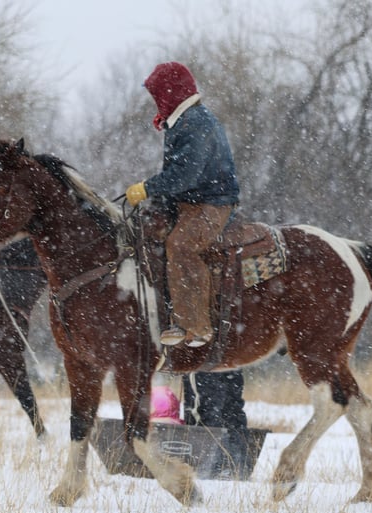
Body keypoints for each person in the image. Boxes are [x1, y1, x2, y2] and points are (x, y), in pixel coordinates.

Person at [125, 61, 240, 348]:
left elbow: (185, 175)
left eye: (158, 94)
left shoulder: (195, 122)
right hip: (189, 204)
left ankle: (197, 327)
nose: (156, 101)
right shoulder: (183, 121)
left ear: (170, 92)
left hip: (211, 204)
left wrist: (147, 188)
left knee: (180, 245)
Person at [182, 370, 253, 479]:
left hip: (203, 364)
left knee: (206, 409)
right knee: (232, 409)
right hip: (230, 363)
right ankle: (237, 466)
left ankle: (210, 467)